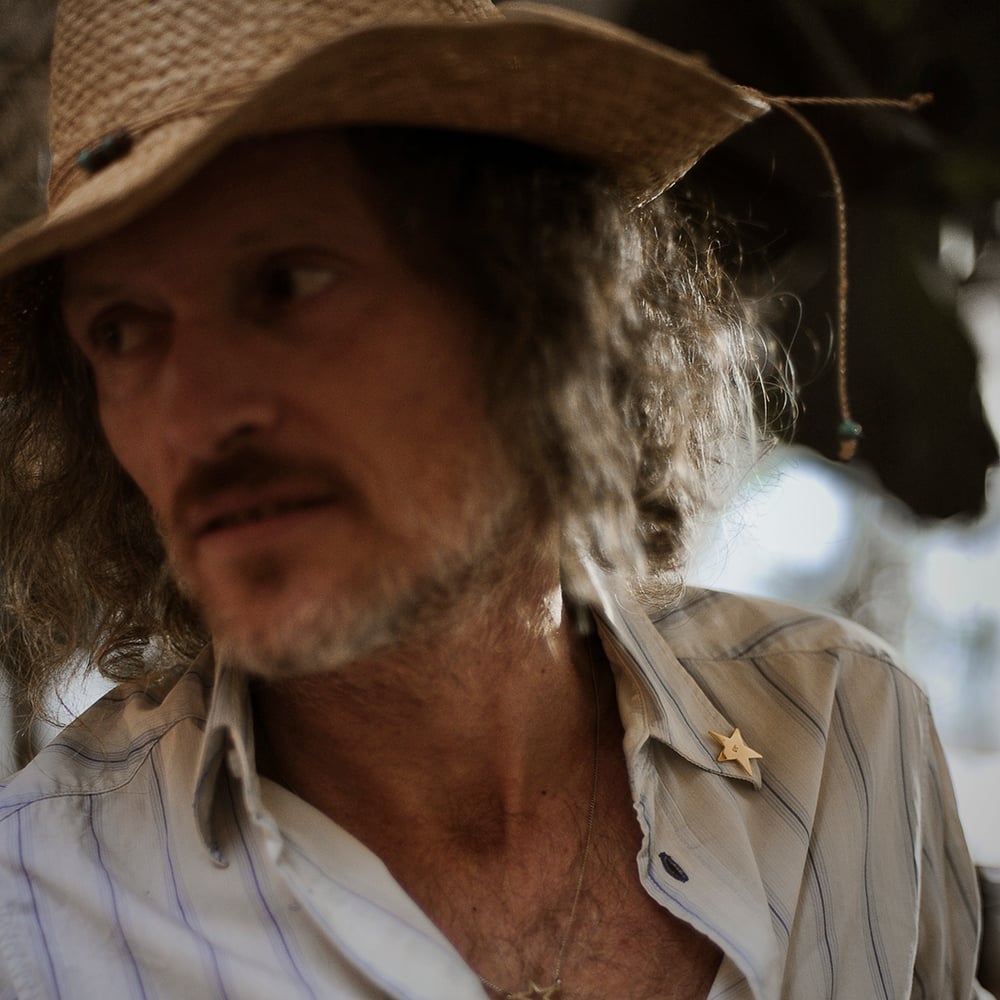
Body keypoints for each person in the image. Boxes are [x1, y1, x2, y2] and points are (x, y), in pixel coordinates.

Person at [0, 0, 987, 997]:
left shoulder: (844, 733)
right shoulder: (40, 915)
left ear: (539, 301)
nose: (192, 419)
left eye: (289, 283)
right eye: (120, 331)